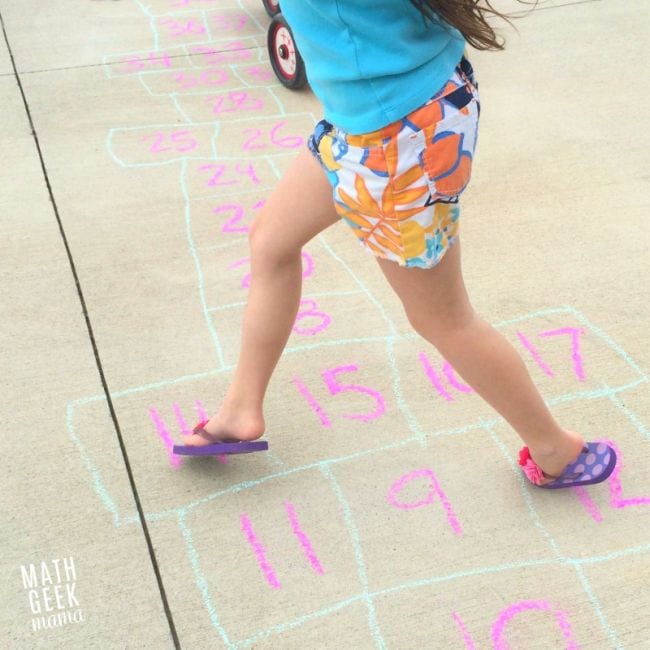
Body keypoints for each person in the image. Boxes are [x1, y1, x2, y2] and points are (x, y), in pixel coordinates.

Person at [174, 0, 616, 489]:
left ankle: (554, 448)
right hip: (381, 112)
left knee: (444, 319)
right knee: (272, 242)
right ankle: (240, 411)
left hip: (393, 136)